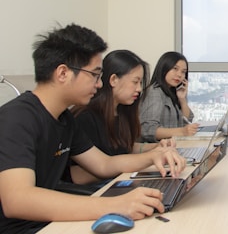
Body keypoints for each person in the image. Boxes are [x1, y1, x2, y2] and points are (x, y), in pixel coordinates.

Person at [0, 24, 186, 234]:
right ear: (63, 73)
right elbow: (17, 199)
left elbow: (104, 164)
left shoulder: (65, 119)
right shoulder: (17, 117)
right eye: (95, 75)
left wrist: (154, 156)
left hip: (52, 222)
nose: (99, 85)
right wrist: (116, 205)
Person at [66, 50, 177, 186]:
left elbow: (123, 147)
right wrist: (146, 159)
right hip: (96, 188)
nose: (139, 89)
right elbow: (89, 170)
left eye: (141, 83)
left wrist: (156, 147)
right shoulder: (85, 117)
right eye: (135, 82)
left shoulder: (122, 111)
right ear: (113, 80)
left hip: (115, 179)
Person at [139, 51, 199, 142]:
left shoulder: (171, 91)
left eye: (183, 72)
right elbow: (147, 130)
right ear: (164, 68)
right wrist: (182, 131)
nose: (179, 75)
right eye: (175, 69)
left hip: (172, 147)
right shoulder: (154, 92)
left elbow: (186, 121)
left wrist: (182, 100)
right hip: (156, 150)